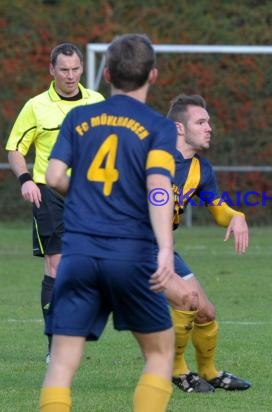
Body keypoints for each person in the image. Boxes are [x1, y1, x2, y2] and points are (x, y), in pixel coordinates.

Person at [40, 34, 179, 412]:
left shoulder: (77, 116)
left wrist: (85, 193)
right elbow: (158, 189)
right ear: (153, 75)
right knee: (159, 353)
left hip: (79, 252)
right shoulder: (158, 126)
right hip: (131, 252)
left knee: (63, 363)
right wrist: (165, 248)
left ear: (105, 74)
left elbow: (53, 176)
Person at [5, 43, 104, 362]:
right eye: (64, 69)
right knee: (57, 265)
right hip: (49, 192)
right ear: (51, 70)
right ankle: (56, 345)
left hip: (90, 194)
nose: (71, 75)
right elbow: (15, 149)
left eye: (76, 69)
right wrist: (26, 179)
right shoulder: (36, 106)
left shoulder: (97, 102)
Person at [164, 94, 251, 393]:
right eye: (200, 122)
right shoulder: (150, 157)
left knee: (205, 313)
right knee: (187, 300)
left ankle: (210, 371)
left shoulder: (202, 169)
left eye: (209, 122)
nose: (209, 127)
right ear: (179, 128)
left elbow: (218, 209)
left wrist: (235, 216)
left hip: (161, 249)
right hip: (130, 246)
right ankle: (175, 371)